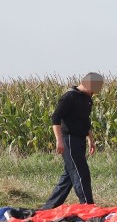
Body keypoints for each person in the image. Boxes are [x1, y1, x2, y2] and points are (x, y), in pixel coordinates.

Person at [42, 72, 103, 209]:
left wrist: (90, 140)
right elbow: (55, 118)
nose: (94, 92)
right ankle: (88, 206)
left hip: (80, 140)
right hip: (69, 139)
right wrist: (59, 141)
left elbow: (85, 121)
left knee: (68, 177)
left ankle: (48, 208)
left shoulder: (87, 99)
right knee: (81, 173)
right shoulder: (69, 97)